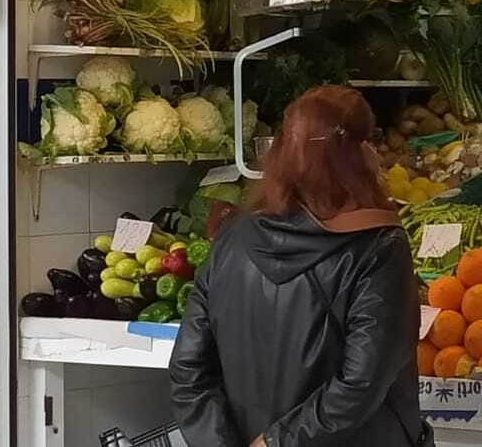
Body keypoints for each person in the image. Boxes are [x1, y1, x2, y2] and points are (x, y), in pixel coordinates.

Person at [171, 85, 430, 447]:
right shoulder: (378, 248)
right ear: (360, 154)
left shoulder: (231, 239)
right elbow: (361, 383)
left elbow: (188, 369)